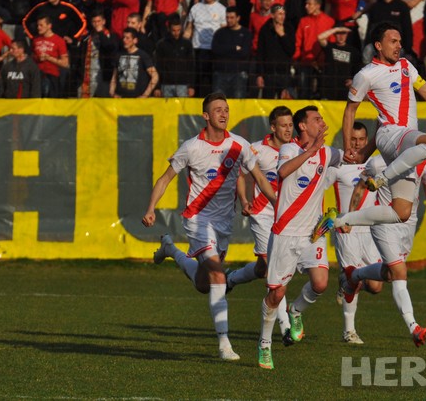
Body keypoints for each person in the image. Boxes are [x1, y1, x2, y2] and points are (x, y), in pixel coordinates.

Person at [145, 92, 277, 362]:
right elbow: (164, 178)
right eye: (217, 110)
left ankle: (170, 249)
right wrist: (150, 208)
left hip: (223, 223)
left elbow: (260, 178)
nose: (223, 113)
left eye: (226, 109)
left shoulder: (239, 145)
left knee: (204, 284)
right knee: (218, 277)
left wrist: (279, 202)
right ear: (205, 116)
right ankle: (224, 345)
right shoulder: (191, 147)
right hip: (197, 219)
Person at [330, 22, 426, 255]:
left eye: (400, 41)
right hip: (390, 133)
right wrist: (348, 147)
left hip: (404, 141)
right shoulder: (366, 74)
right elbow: (350, 111)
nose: (400, 46)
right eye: (393, 41)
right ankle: (383, 178)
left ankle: (346, 219)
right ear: (378, 46)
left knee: (402, 212)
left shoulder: (407, 66)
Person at [257, 105, 343, 369]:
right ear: (303, 126)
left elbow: (353, 155)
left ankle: (295, 311)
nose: (322, 123)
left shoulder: (327, 152)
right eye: (317, 119)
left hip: (313, 232)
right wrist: (312, 149)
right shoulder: (290, 149)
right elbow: (282, 173)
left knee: (320, 284)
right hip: (285, 233)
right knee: (275, 293)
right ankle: (265, 344)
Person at [338, 152, 426, 347]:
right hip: (384, 222)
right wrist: (350, 217)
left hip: (408, 225)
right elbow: (361, 186)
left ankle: (354, 275)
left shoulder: (424, 161)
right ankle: (414, 327)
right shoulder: (378, 163)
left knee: (388, 274)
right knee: (399, 271)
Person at [230, 106, 294, 343]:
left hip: (288, 216)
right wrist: (245, 200)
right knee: (273, 267)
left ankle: (231, 279)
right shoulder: (257, 149)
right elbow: (241, 173)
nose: (288, 129)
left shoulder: (296, 149)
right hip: (262, 214)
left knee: (262, 269)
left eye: (290, 125)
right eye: (283, 125)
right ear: (273, 127)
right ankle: (286, 326)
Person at [324, 121, 383, 344]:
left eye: (361, 140)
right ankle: (349, 331)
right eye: (353, 139)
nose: (357, 144)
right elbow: (318, 191)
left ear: (367, 141)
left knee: (376, 286)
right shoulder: (338, 166)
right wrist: (332, 220)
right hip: (346, 229)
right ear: (346, 140)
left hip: (371, 231)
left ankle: (345, 282)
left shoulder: (375, 164)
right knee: (354, 279)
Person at [294, 0, 333, 99]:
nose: (306, 6)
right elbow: (298, 41)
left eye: (309, 4)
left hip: (323, 63)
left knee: (323, 92)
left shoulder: (329, 21)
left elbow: (331, 43)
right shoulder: (303, 21)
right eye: (306, 4)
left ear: (318, 6)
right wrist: (297, 59)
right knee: (304, 92)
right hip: (306, 62)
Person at [211, 6, 252, 98]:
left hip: (239, 73)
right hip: (221, 72)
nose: (229, 20)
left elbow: (244, 53)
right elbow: (216, 50)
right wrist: (234, 48)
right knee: (218, 102)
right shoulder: (220, 33)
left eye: (232, 17)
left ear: (238, 18)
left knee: (238, 102)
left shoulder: (246, 33)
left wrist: (225, 50)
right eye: (227, 17)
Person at [256, 4, 295, 99]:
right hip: (269, 74)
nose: (282, 17)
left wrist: (282, 35)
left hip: (284, 73)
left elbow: (291, 50)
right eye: (279, 14)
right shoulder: (265, 29)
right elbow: (260, 53)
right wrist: (260, 74)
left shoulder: (289, 28)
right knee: (267, 103)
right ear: (272, 15)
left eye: (284, 14)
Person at [109, 27, 158, 98]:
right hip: (120, 99)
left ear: (135, 40)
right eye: (124, 37)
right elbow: (114, 75)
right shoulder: (119, 55)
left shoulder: (143, 55)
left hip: (137, 100)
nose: (124, 40)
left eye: (127, 38)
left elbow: (155, 76)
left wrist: (145, 95)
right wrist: (112, 92)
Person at [154, 15, 194, 98]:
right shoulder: (161, 44)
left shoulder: (187, 44)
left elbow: (191, 66)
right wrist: (157, 87)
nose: (176, 33)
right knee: (167, 110)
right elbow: (157, 66)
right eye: (173, 30)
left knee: (182, 110)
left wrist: (191, 86)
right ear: (169, 29)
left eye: (178, 30)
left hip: (183, 85)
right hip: (166, 84)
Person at [318, 25, 362, 100]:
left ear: (347, 35)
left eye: (343, 33)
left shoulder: (353, 51)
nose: (341, 36)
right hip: (329, 85)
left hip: (345, 86)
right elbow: (320, 37)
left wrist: (353, 80)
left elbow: (357, 68)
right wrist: (336, 29)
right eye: (338, 33)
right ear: (334, 34)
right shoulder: (330, 47)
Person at [31, 15, 68, 97]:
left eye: (41, 25)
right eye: (38, 25)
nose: (38, 28)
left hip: (52, 76)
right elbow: (32, 57)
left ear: (49, 26)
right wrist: (38, 58)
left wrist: (49, 58)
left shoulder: (59, 41)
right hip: (37, 76)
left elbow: (65, 63)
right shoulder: (35, 40)